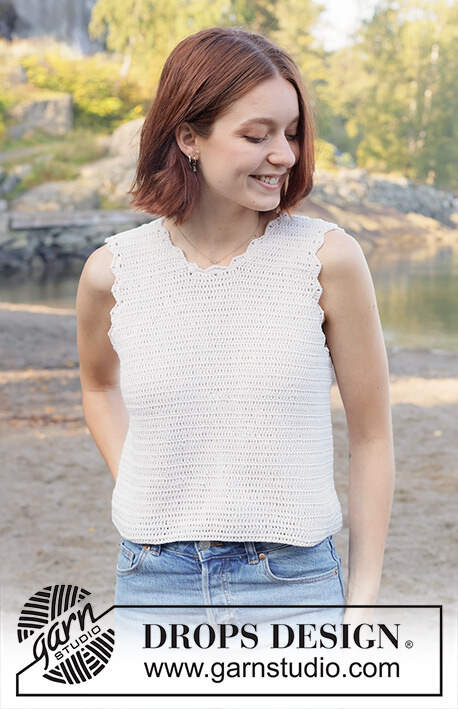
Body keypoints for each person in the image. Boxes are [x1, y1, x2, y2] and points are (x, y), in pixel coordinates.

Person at [76, 26, 394, 643]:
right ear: (188, 137)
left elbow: (373, 437)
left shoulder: (327, 259)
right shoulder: (112, 271)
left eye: (292, 133)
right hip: (152, 584)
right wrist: (144, 480)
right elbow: (97, 387)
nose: (286, 155)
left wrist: (362, 602)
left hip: (294, 588)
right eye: (257, 135)